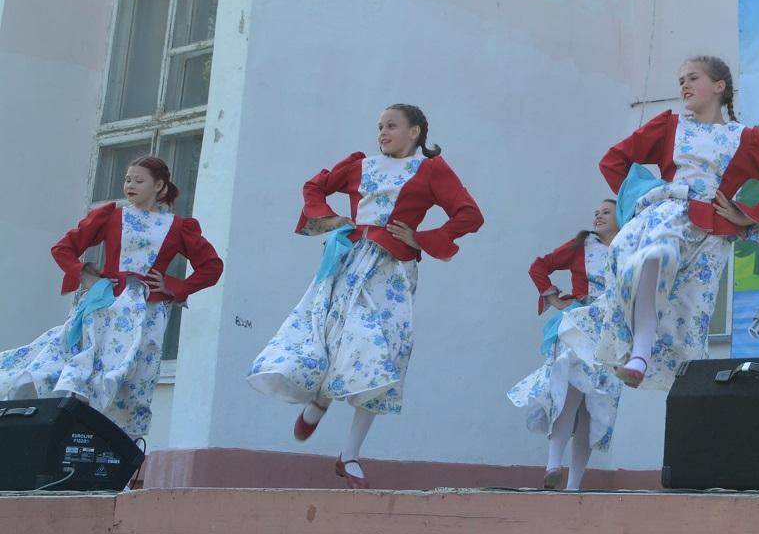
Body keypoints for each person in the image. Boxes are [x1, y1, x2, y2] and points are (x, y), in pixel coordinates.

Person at [247, 103, 483, 488]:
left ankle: (349, 454)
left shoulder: (433, 170)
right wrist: (330, 217)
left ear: (416, 132)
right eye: (379, 127)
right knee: (339, 336)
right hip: (352, 262)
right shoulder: (360, 165)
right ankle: (321, 399)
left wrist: (421, 238)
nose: (383, 133)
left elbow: (469, 215)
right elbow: (314, 187)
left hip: (394, 271)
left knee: (383, 354)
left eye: (392, 126)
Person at [597, 56, 759, 389]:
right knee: (654, 256)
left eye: (693, 78)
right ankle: (640, 352)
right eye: (680, 81)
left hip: (710, 234)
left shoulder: (745, 138)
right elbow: (613, 161)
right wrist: (642, 199)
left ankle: (681, 392)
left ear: (719, 87)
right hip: (669, 215)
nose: (684, 86)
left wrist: (746, 215)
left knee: (689, 316)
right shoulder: (669, 125)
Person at [1, 157, 222, 444]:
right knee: (87, 366)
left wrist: (174, 286)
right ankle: (67, 438)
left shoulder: (179, 227)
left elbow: (211, 266)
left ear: (159, 186)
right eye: (127, 179)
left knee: (136, 377)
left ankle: (117, 451)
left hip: (148, 313)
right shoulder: (112, 216)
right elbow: (64, 248)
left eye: (139, 180)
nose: (130, 185)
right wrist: (83, 274)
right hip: (107, 305)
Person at [507, 199, 623, 491]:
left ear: (622, 216)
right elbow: (540, 267)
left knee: (592, 407)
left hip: (611, 334)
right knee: (568, 391)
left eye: (606, 212)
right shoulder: (582, 246)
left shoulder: (629, 248)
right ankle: (553, 464)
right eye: (595, 212)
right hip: (579, 327)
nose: (598, 216)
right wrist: (553, 297)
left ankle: (574, 484)